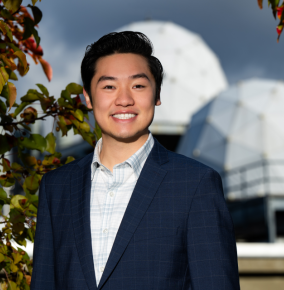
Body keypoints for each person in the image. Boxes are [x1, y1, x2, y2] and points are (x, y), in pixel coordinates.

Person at [31, 31, 240, 290]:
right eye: (109, 86)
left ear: (157, 94)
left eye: (138, 85)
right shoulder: (57, 187)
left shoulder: (195, 185)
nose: (124, 100)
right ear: (88, 97)